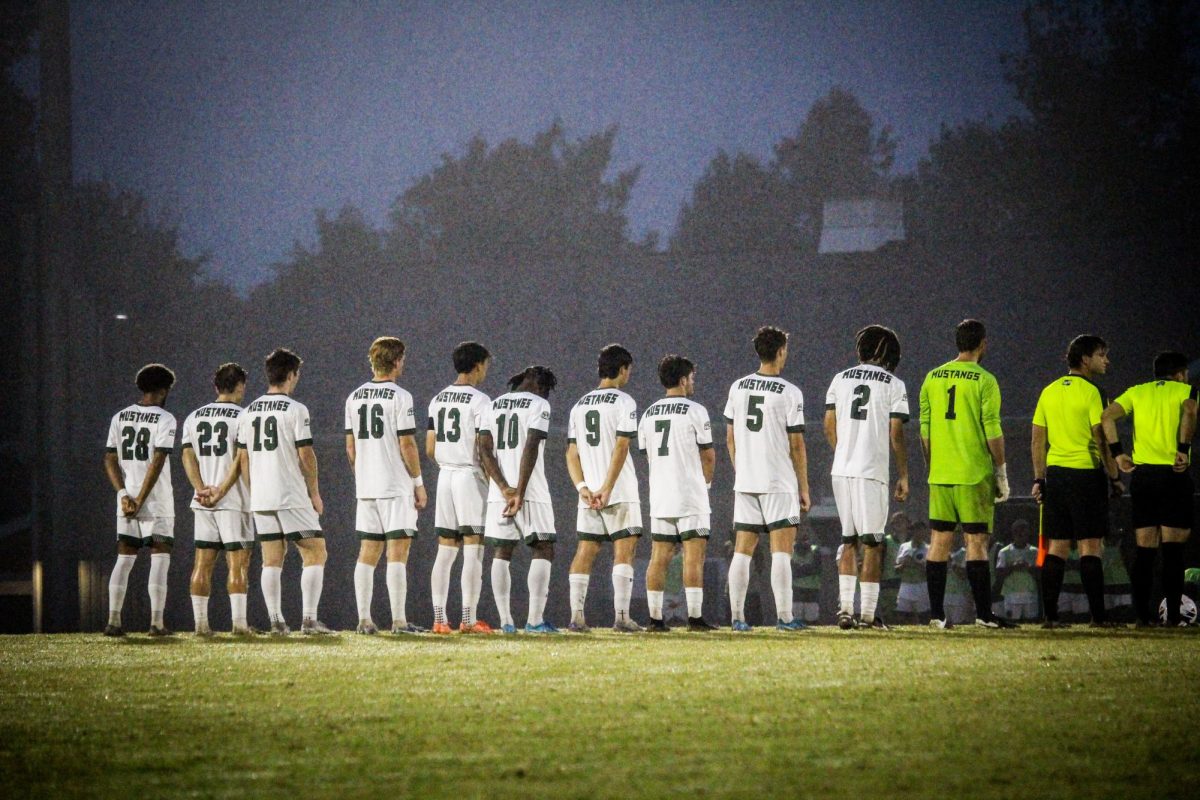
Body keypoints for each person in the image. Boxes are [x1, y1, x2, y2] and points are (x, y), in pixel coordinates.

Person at [918, 319, 1014, 629]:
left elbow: (925, 431)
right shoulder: (985, 380)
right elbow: (993, 431)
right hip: (973, 473)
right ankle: (984, 615)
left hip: (941, 474)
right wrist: (1001, 472)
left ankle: (935, 615)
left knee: (939, 542)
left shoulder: (932, 377)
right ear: (982, 344)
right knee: (976, 542)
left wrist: (933, 465)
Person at [236, 348, 332, 635]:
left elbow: (243, 458)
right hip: (290, 494)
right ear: (291, 375)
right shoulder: (295, 409)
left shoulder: (249, 411)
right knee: (316, 551)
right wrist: (314, 492)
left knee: (271, 558)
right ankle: (309, 620)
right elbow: (306, 455)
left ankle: (276, 621)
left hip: (262, 496)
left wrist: (255, 492)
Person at [724, 326, 811, 632]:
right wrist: (804, 487)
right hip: (778, 481)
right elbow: (797, 445)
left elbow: (730, 438)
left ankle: (737, 618)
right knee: (781, 551)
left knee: (742, 551)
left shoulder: (738, 387)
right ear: (781, 351)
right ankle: (785, 618)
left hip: (746, 481)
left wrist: (741, 470)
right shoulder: (789, 392)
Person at [1101, 351, 1198, 626]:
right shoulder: (1186, 390)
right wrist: (1183, 449)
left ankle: (1142, 617)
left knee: (1145, 551)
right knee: (1173, 552)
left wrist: (1119, 454)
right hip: (1173, 474)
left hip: (1143, 477)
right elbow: (1190, 411)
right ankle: (1173, 618)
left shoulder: (1137, 392)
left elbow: (1106, 416)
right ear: (1180, 374)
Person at [1031, 334, 1120, 628]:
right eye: (1101, 354)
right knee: (1090, 547)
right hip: (1086, 474)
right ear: (1085, 359)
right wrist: (1114, 475)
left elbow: (1037, 440)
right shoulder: (1093, 391)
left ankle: (1051, 617)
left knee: (1056, 547)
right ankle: (1098, 617)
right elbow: (1100, 436)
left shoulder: (1049, 391)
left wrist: (1039, 478)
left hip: (1056, 475)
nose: (1106, 360)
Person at [824, 324, 910, 630]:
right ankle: (868, 615)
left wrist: (843, 451)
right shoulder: (893, 383)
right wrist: (903, 472)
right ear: (885, 350)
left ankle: (845, 610)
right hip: (871, 470)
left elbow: (829, 423)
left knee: (848, 540)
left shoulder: (840, 378)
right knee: (873, 544)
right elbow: (896, 432)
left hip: (842, 469)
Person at [345, 337, 427, 635]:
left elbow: (350, 448)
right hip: (394, 485)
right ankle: (399, 621)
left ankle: (364, 619)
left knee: (367, 552)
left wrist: (363, 475)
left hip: (366, 487)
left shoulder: (353, 398)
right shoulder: (400, 397)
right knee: (397, 553)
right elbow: (407, 444)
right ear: (396, 361)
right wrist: (418, 482)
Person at [566, 344, 644, 632]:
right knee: (624, 553)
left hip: (588, 495)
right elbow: (622, 446)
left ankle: (576, 618)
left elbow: (571, 453)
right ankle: (622, 618)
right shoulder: (625, 402)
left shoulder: (579, 405)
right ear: (622, 369)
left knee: (585, 550)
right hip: (619, 490)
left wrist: (582, 487)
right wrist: (608, 487)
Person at [478, 366, 559, 634]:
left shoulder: (493, 404)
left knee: (502, 551)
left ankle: (505, 622)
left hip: (498, 493)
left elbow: (484, 450)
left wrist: (503, 488)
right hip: (531, 491)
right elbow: (531, 446)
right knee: (543, 546)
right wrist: (520, 492)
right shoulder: (539, 405)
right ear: (539, 385)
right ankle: (535, 620)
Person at [639, 355, 717, 632]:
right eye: (692, 378)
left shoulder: (648, 414)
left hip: (660, 495)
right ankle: (695, 618)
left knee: (658, 556)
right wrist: (705, 485)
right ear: (683, 380)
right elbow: (708, 456)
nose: (692, 383)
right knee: (694, 556)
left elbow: (648, 457)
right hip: (690, 495)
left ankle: (654, 619)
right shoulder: (696, 411)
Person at [103, 364, 178, 637]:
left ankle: (113, 622)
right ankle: (156, 624)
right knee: (160, 559)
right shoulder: (166, 419)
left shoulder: (119, 417)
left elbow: (110, 458)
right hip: (156, 500)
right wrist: (140, 499)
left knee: (124, 559)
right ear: (163, 390)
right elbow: (158, 461)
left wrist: (124, 494)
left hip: (126, 499)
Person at [180, 362, 254, 636]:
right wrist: (221, 490)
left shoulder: (194, 417)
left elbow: (187, 455)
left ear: (216, 386)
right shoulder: (243, 416)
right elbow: (240, 457)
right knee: (238, 564)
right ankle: (239, 625)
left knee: (202, 564)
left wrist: (200, 488)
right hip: (234, 501)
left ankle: (201, 626)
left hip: (203, 502)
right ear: (240, 387)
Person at [426, 341, 493, 634]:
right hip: (469, 476)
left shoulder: (437, 399)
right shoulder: (480, 401)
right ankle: (468, 618)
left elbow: (430, 447)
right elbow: (484, 449)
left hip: (445, 476)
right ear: (477, 365)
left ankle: (440, 619)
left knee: (445, 551)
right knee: (473, 550)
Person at [994, 519, 1039, 622]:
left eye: (1024, 532)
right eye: (1018, 532)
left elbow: (1040, 574)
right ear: (1013, 533)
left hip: (1030, 595)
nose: (1021, 535)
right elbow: (999, 575)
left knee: (1031, 624)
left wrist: (1029, 567)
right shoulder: (1004, 552)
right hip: (1011, 596)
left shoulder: (1035, 552)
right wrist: (1013, 567)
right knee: (1012, 623)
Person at [878, 512, 910, 622]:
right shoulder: (886, 541)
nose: (899, 524)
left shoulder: (913, 542)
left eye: (902, 521)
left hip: (909, 582)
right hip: (889, 581)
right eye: (896, 521)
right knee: (889, 612)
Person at [895, 524, 930, 624]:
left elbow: (930, 572)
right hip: (905, 586)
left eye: (922, 531)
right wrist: (903, 565)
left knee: (923, 616)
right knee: (902, 616)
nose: (919, 534)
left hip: (922, 586)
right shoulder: (904, 546)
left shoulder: (929, 549)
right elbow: (896, 568)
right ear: (912, 532)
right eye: (916, 531)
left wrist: (915, 563)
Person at [791, 525, 822, 625]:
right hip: (796, 590)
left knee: (811, 617)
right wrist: (806, 569)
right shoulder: (790, 549)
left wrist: (800, 569)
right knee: (796, 616)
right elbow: (792, 570)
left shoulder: (815, 550)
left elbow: (815, 568)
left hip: (811, 590)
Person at [1101, 529, 1134, 623]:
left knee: (1121, 606)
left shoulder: (1123, 547)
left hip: (1121, 581)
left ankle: (1120, 621)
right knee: (1110, 606)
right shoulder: (1102, 547)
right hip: (1109, 581)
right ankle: (1113, 621)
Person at [944, 534, 973, 624]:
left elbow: (964, 575)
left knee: (958, 625)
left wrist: (951, 562)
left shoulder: (966, 553)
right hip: (944, 596)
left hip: (960, 596)